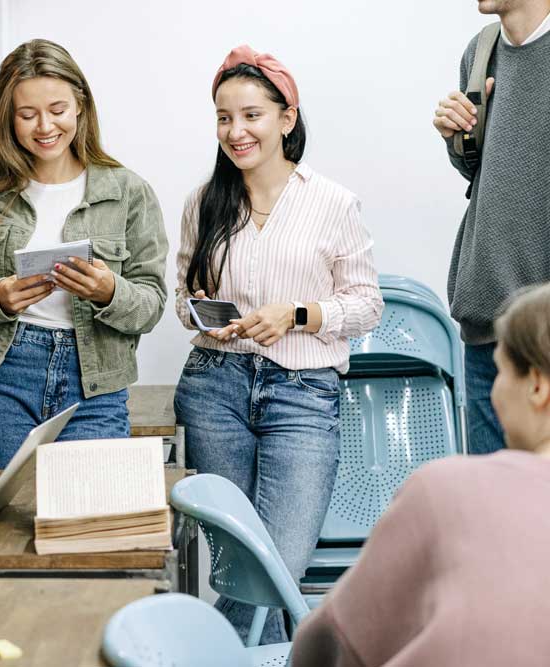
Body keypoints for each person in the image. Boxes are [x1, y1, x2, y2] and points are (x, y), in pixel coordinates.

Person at [173, 45, 382, 644]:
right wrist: (205, 316)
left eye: (251, 115)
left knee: (274, 569)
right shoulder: (204, 202)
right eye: (223, 117)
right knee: (236, 565)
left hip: (303, 395)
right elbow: (185, 294)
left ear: (287, 118)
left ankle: (208, 654)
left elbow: (367, 304)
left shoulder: (333, 202)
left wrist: (297, 314)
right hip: (215, 389)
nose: (235, 132)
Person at [0, 39, 168, 469]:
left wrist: (109, 291)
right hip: (2, 379)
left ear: (80, 105)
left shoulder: (128, 192)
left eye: (57, 110)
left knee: (85, 524)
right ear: (8, 118)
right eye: (27, 114)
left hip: (95, 385)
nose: (44, 127)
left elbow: (151, 305)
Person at [291, 282, 550, 666]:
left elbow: (326, 644)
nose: (494, 392)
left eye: (500, 373)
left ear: (537, 386)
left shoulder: (448, 490)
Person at [431, 0, 550, 455]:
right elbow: (485, 171)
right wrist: (456, 136)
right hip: (485, 331)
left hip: (543, 336)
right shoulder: (480, 53)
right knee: (495, 513)